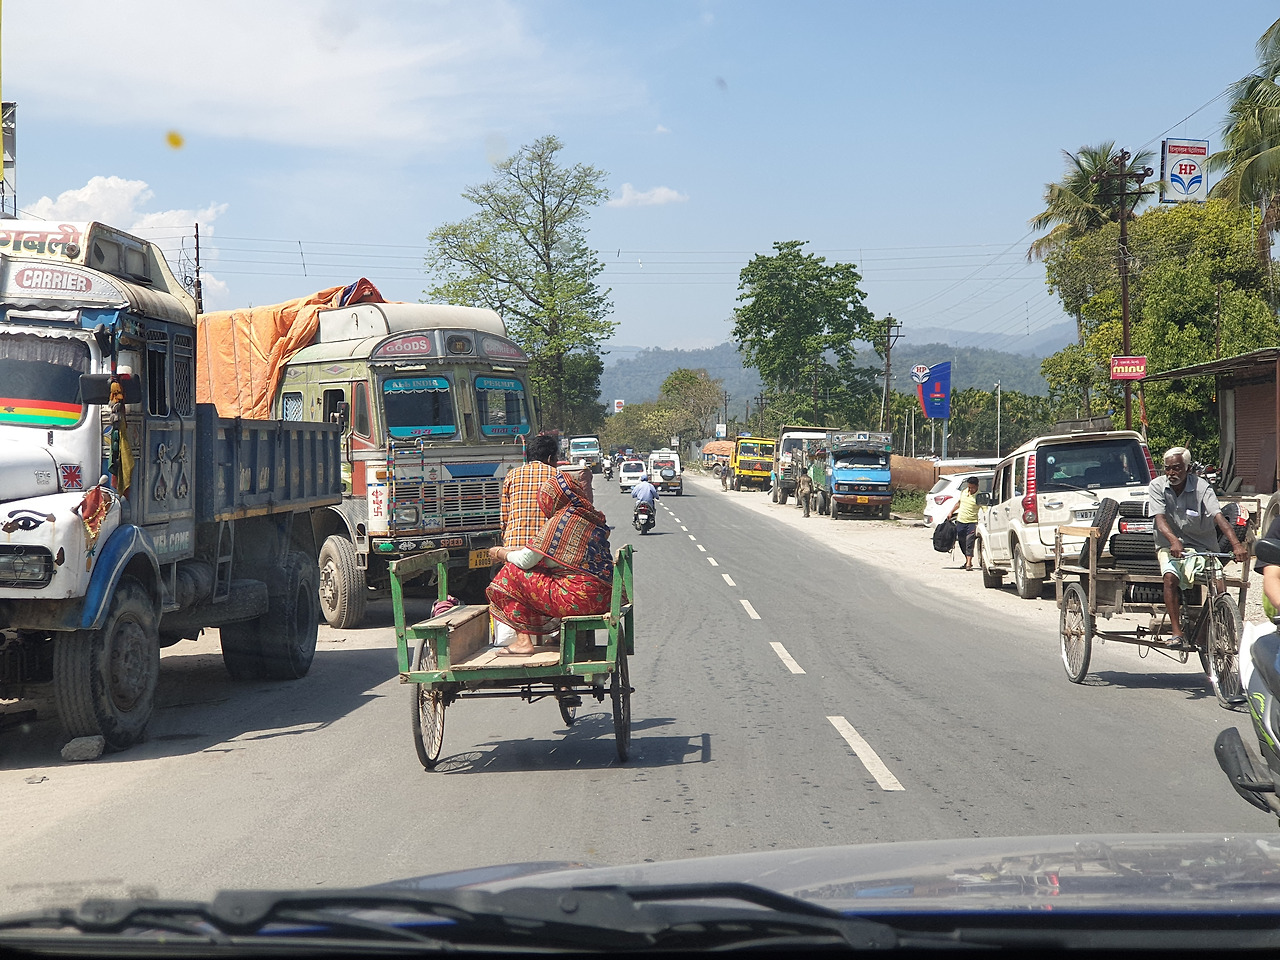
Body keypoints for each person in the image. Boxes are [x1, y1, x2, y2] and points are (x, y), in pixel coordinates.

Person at [486, 471, 614, 656]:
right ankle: (564, 636)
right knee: (550, 571)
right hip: (604, 598)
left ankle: (523, 642)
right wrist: (515, 551)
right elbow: (551, 555)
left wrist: (501, 553)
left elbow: (525, 561)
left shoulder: (560, 521)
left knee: (510, 572)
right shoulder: (591, 518)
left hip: (575, 600)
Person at [1150, 445, 1247, 648]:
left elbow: (1218, 516)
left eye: (1177, 468)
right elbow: (1160, 519)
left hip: (1203, 546)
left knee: (1218, 583)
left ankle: (1205, 631)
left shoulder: (1202, 487)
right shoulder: (1157, 486)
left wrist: (1236, 545)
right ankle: (1177, 633)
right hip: (1170, 545)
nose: (1171, 473)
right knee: (1170, 577)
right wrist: (1173, 540)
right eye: (1167, 468)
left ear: (1187, 468)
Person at [495, 433, 560, 648]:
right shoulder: (558, 477)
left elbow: (504, 520)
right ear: (550, 458)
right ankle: (557, 634)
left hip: (515, 550)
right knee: (557, 583)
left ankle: (523, 638)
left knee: (512, 588)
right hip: (548, 552)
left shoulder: (512, 475)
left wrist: (507, 548)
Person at [946, 476, 982, 571]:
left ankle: (969, 563)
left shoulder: (979, 496)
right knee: (962, 542)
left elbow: (985, 508)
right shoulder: (964, 492)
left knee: (969, 542)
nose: (970, 489)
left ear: (977, 486)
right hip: (961, 521)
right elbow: (959, 503)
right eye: (969, 487)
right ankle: (967, 561)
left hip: (972, 522)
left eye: (972, 487)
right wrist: (951, 512)